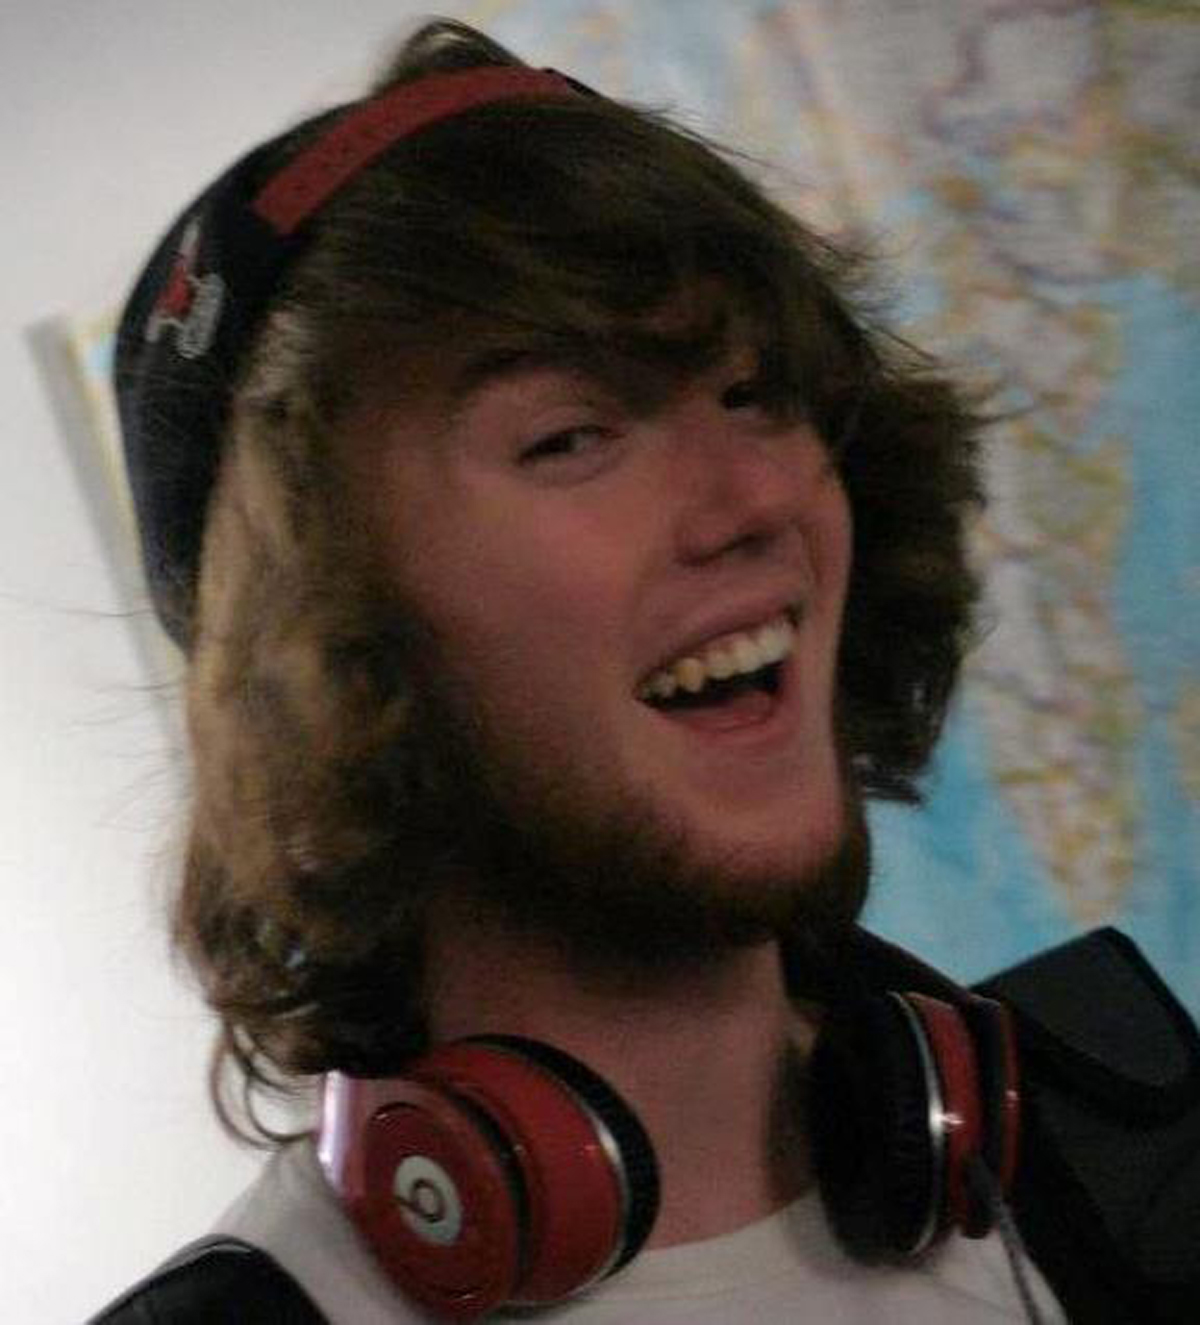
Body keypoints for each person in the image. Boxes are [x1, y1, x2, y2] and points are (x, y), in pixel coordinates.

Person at [92, 17, 1200, 1325]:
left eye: (757, 393)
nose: (756, 499)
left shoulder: (1136, 1176)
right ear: (318, 634)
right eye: (572, 437)